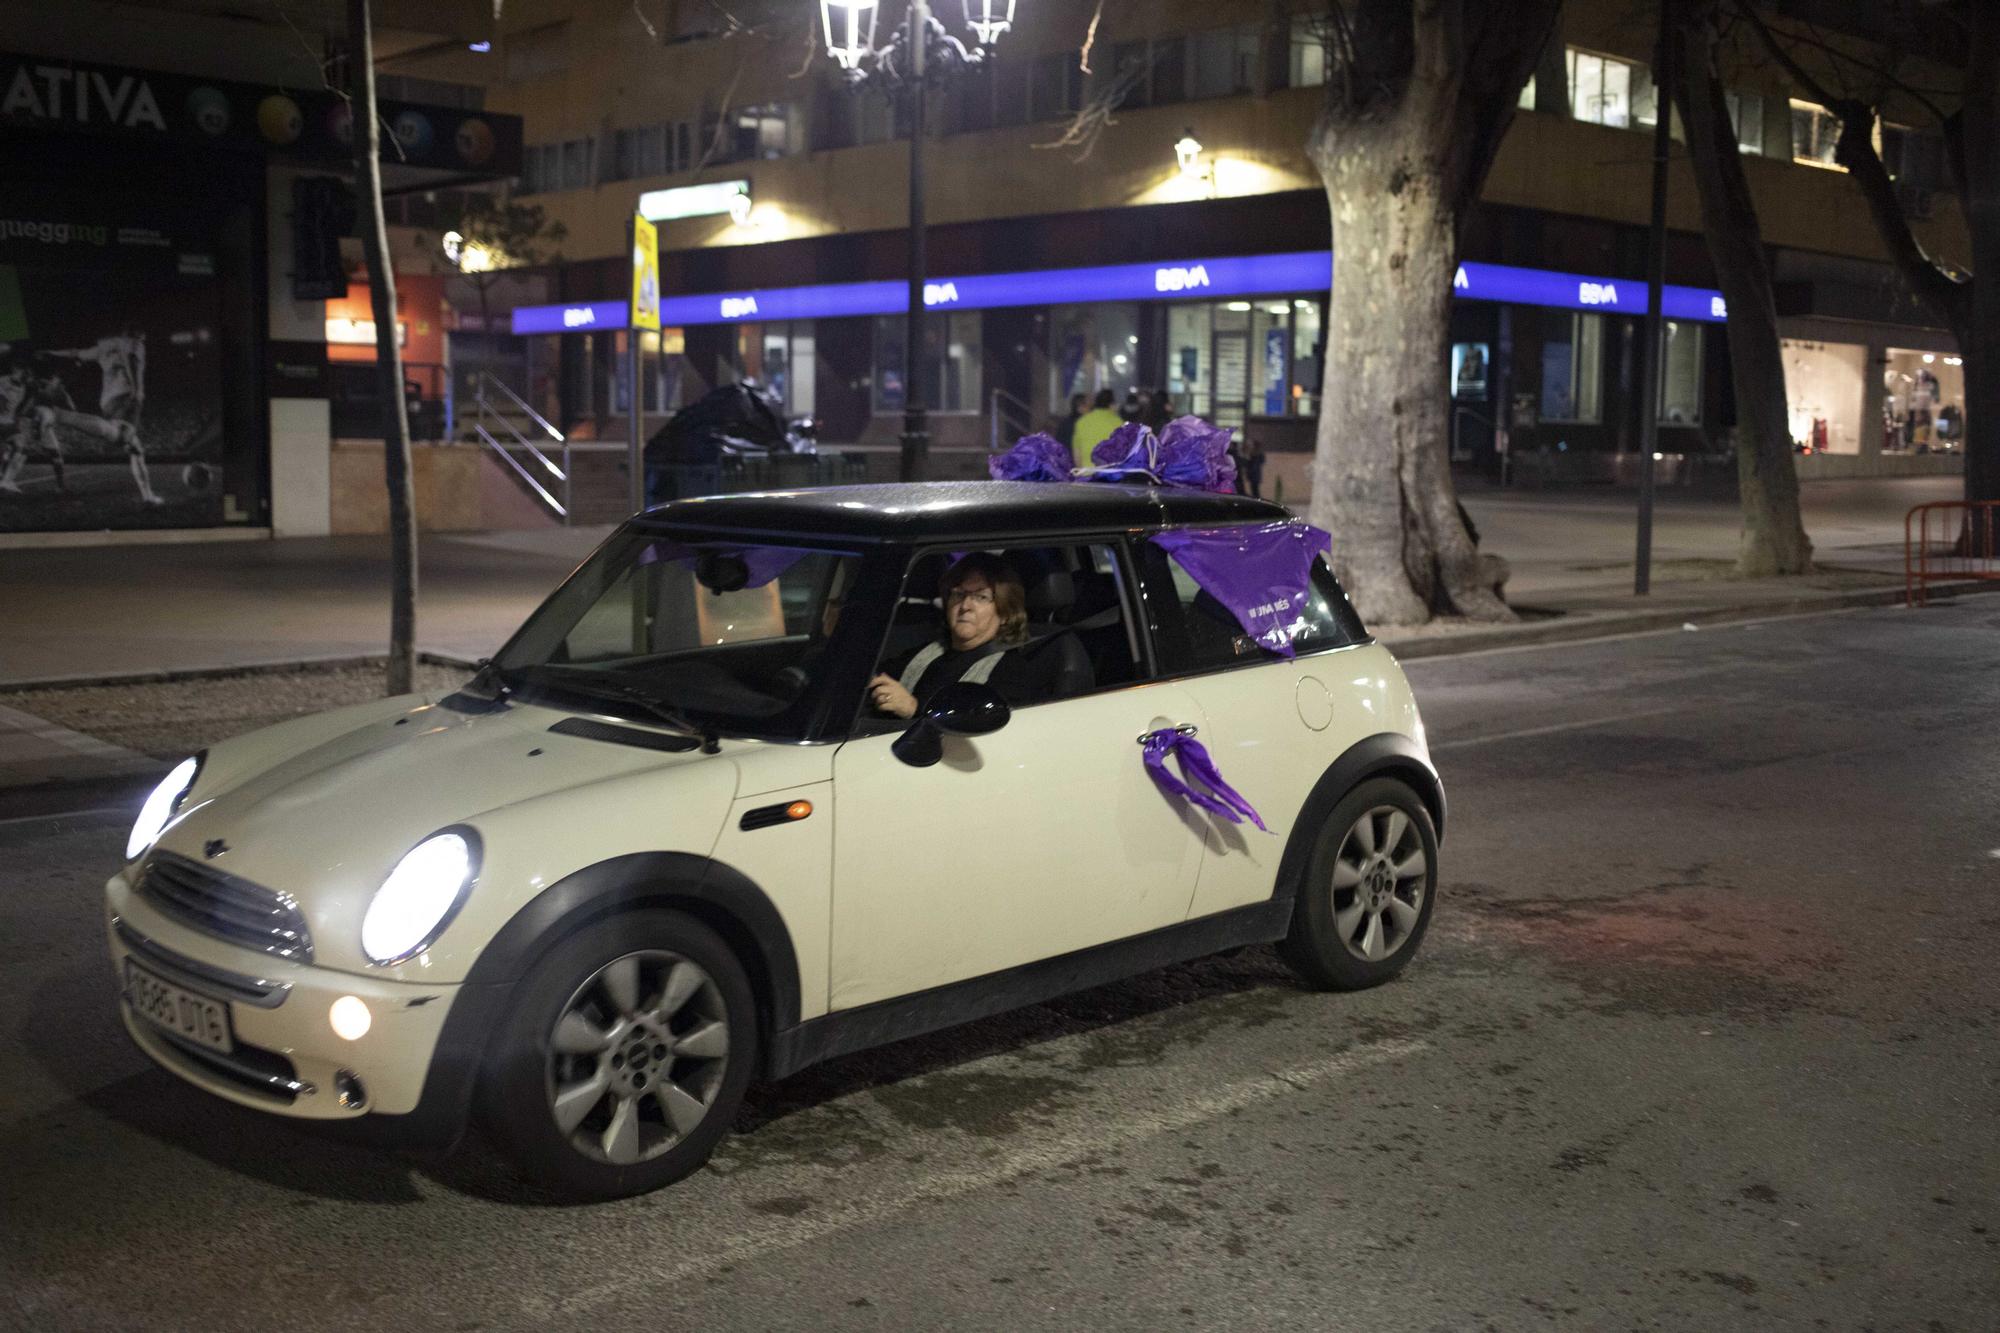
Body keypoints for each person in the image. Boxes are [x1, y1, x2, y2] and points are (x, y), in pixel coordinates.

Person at [868, 553, 1064, 719]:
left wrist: (913, 709)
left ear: (1005, 613)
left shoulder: (1012, 670)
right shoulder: (928, 652)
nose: (965, 606)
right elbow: (877, 677)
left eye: (981, 597)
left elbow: (982, 732)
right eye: (959, 594)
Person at [51, 327, 161, 505]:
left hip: (107, 400)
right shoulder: (135, 342)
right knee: (121, 437)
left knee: (136, 448)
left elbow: (75, 353)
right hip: (126, 394)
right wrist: (135, 389)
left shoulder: (103, 347)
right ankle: (62, 415)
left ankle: (148, 496)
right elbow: (131, 358)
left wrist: (51, 353)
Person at [1070, 389, 1122, 468]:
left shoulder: (1082, 422)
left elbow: (1077, 454)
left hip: (1087, 473)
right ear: (1112, 405)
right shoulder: (1119, 423)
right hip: (1110, 475)